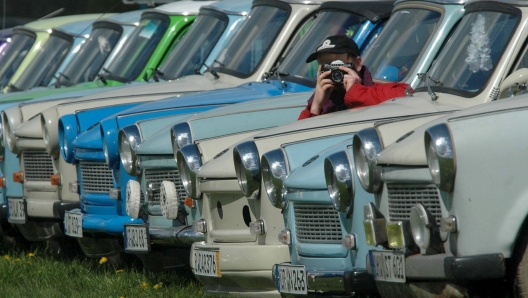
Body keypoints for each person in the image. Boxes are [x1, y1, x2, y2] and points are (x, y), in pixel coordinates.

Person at [298, 35, 411, 120]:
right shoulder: (322, 102)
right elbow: (299, 138)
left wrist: (356, 92)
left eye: (337, 63)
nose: (333, 71)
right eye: (326, 65)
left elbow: (407, 92)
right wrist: (315, 107)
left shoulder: (377, 91)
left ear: (357, 63)